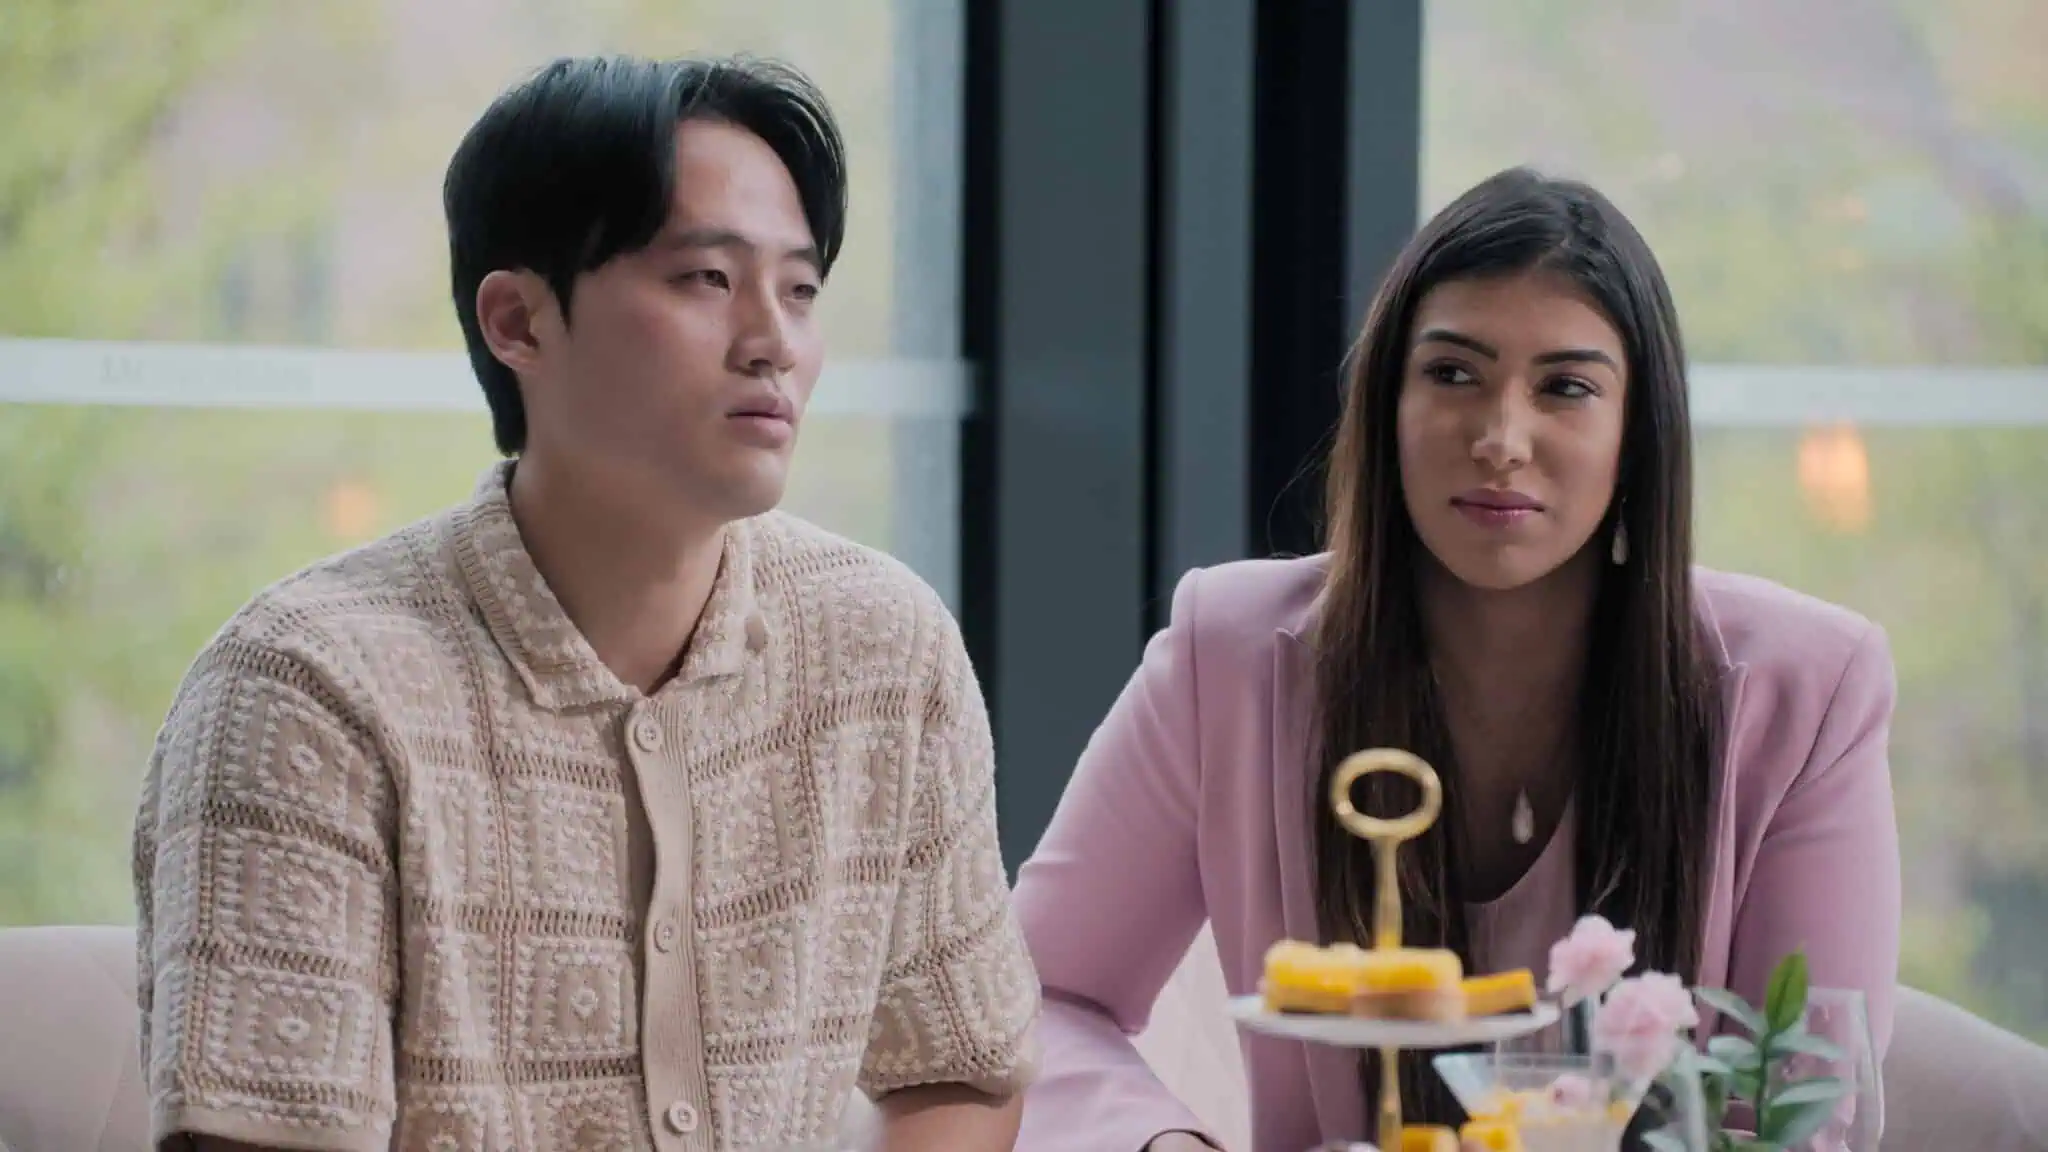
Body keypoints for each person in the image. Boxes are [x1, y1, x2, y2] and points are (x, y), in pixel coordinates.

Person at [131, 55, 1038, 1152]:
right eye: (706, 278)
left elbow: (962, 1068)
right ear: (518, 322)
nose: (774, 341)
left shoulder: (883, 649)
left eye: (799, 289)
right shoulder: (309, 691)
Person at [1009, 168, 1902, 1151]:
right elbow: (1033, 999)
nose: (1498, 438)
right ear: (1384, 404)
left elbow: (1794, 1106)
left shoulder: (1803, 689)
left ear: (1634, 433)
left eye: (1564, 388)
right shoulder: (1227, 655)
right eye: (1451, 374)